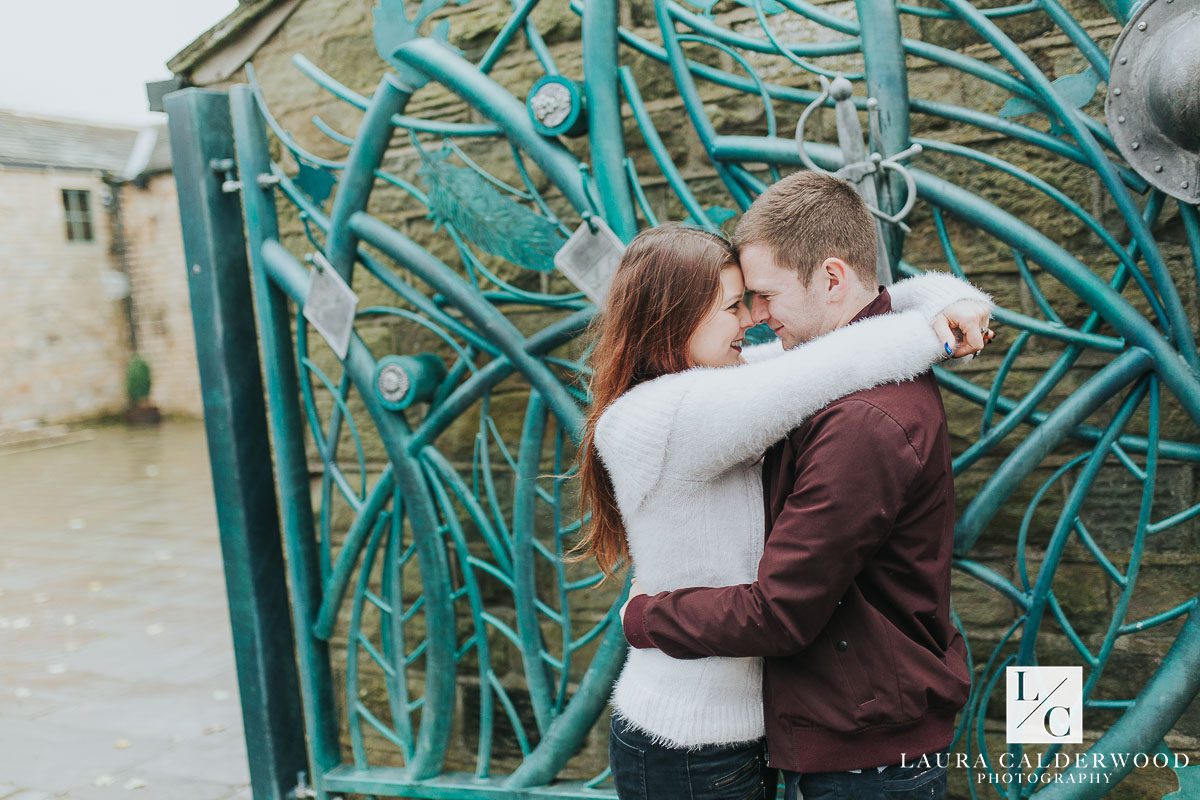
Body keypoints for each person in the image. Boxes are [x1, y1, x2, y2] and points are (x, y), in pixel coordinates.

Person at [569, 198, 992, 797]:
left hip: (746, 732)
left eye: (756, 299)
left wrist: (951, 302)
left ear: (831, 278)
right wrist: (940, 326)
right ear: (675, 321)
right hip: (685, 738)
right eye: (735, 306)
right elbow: (840, 360)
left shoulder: (733, 379)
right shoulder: (666, 415)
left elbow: (857, 323)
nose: (753, 321)